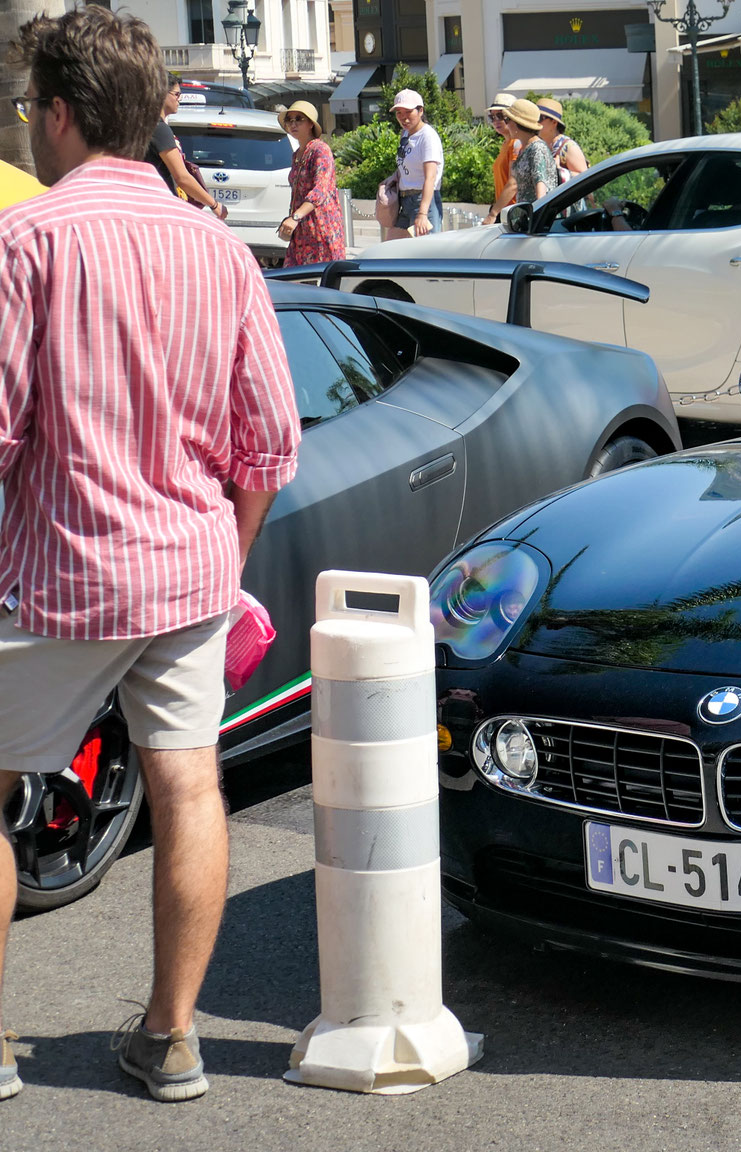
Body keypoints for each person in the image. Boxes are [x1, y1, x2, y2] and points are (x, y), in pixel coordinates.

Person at [0, 6, 300, 1105]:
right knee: (188, 784)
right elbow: (269, 443)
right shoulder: (218, 246)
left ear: (62, 115)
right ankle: (171, 1038)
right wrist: (226, 561)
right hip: (188, 574)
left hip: (60, 574)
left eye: (31, 107)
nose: (29, 125)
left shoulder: (26, 241)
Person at [276, 101, 344, 267]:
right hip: (301, 230)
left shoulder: (320, 150)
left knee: (318, 277)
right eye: (289, 120)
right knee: (294, 276)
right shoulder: (297, 154)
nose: (293, 124)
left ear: (311, 124)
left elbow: (320, 190)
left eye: (299, 119)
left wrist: (295, 217)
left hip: (320, 227)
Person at [148, 76, 226, 219]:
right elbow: (182, 177)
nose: (179, 99)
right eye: (177, 94)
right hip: (161, 209)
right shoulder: (159, 129)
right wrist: (214, 205)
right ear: (162, 94)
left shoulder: (149, 126)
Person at [381, 89, 442, 240]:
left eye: (408, 111)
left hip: (423, 201)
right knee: (393, 247)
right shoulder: (405, 134)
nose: (403, 117)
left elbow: (430, 177)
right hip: (405, 200)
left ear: (420, 111)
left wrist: (423, 213)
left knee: (425, 251)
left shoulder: (427, 136)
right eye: (399, 113)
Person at [503, 98, 559, 207]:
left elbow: (541, 190)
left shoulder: (537, 149)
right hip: (528, 214)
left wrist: (537, 214)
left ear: (516, 123)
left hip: (537, 214)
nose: (506, 125)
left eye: (507, 120)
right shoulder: (525, 148)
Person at [483, 92, 520, 225]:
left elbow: (513, 183)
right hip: (505, 211)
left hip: (514, 213)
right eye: (492, 117)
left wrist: (493, 214)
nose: (495, 121)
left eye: (500, 116)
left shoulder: (516, 143)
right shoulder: (506, 144)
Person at [536, 97, 588, 177]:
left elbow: (585, 177)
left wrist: (559, 171)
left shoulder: (568, 148)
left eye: (539, 118)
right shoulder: (538, 144)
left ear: (554, 122)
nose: (535, 122)